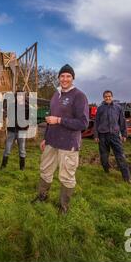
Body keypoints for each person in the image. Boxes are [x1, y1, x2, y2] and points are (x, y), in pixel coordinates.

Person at [32, 64, 89, 214]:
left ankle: (64, 207)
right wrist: (45, 138)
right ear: (58, 78)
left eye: (68, 76)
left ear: (73, 78)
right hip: (52, 141)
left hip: (68, 143)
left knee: (66, 176)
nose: (65, 79)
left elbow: (83, 123)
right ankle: (42, 196)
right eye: (62, 76)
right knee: (45, 170)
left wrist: (59, 120)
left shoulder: (79, 96)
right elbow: (50, 119)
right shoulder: (55, 95)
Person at [94, 90, 131, 183]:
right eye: (106, 96)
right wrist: (96, 135)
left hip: (114, 135)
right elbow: (96, 123)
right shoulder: (100, 109)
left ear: (112, 97)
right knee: (104, 157)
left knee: (120, 156)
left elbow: (122, 122)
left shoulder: (118, 108)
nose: (108, 98)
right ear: (103, 98)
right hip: (102, 136)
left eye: (109, 96)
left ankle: (126, 177)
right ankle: (106, 170)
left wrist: (124, 134)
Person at [0, 92, 30, 170]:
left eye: (21, 96)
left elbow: (29, 119)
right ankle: (3, 166)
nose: (19, 98)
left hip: (22, 131)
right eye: (18, 96)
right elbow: (8, 115)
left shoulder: (27, 107)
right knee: (7, 148)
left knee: (22, 149)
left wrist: (25, 127)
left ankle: (22, 167)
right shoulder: (12, 106)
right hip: (12, 131)